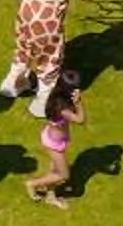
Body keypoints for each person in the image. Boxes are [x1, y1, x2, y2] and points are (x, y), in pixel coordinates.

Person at [23, 70, 86, 210]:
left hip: (55, 139)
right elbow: (81, 120)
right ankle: (33, 184)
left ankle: (51, 196)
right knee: (64, 175)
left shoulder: (57, 97)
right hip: (54, 144)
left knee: (56, 170)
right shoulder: (62, 108)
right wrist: (79, 103)